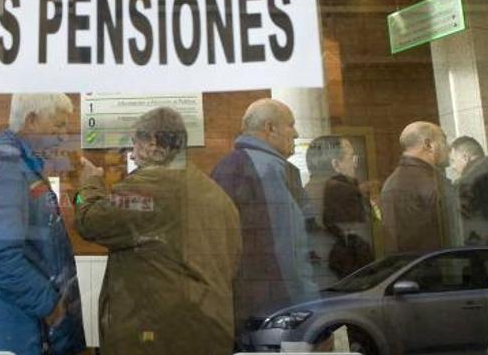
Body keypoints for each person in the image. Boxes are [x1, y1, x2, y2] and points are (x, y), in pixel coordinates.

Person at [75, 107, 241, 355]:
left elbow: (89, 221)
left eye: (134, 144)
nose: (131, 153)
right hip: (209, 333)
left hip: (155, 338)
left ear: (152, 143)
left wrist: (88, 185)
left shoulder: (148, 189)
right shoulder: (217, 195)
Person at [0, 94, 86, 355]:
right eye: (58, 125)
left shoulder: (24, 167)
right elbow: (1, 258)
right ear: (32, 121)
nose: (63, 135)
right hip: (22, 330)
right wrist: (51, 307)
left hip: (29, 327)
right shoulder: (7, 170)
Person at [210, 98, 317, 331]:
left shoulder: (227, 166)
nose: (297, 133)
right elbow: (286, 250)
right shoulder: (267, 171)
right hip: (274, 311)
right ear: (270, 128)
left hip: (241, 307)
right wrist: (307, 313)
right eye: (291, 124)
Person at [306, 136, 374, 281]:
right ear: (336, 164)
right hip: (345, 277)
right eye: (351, 158)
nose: (355, 164)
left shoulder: (305, 191)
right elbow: (364, 232)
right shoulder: (343, 192)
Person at [380, 121, 453, 253]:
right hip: (436, 267)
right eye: (444, 141)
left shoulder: (391, 182)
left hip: (406, 267)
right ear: (428, 145)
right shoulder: (432, 182)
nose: (448, 147)